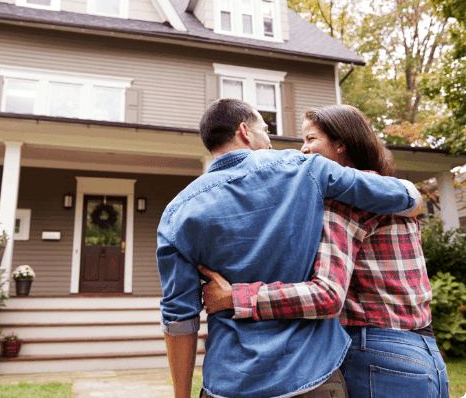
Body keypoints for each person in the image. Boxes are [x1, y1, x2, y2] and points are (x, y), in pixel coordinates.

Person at [157, 99, 422, 398]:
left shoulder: (176, 213)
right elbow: (402, 196)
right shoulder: (305, 169)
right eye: (266, 130)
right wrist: (414, 198)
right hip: (311, 376)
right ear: (245, 131)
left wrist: (182, 394)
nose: (270, 141)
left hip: (229, 381)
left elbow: (179, 318)